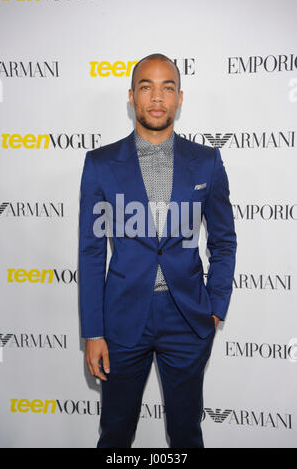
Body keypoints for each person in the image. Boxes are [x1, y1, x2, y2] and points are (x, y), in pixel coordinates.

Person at [78, 53, 237, 448]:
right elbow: (91, 252)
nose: (157, 97)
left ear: (180, 98)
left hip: (187, 317)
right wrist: (93, 332)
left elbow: (223, 239)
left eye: (167, 87)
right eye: (146, 86)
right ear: (131, 96)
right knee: (115, 432)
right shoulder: (99, 164)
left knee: (186, 434)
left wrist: (215, 304)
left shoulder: (207, 162)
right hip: (122, 319)